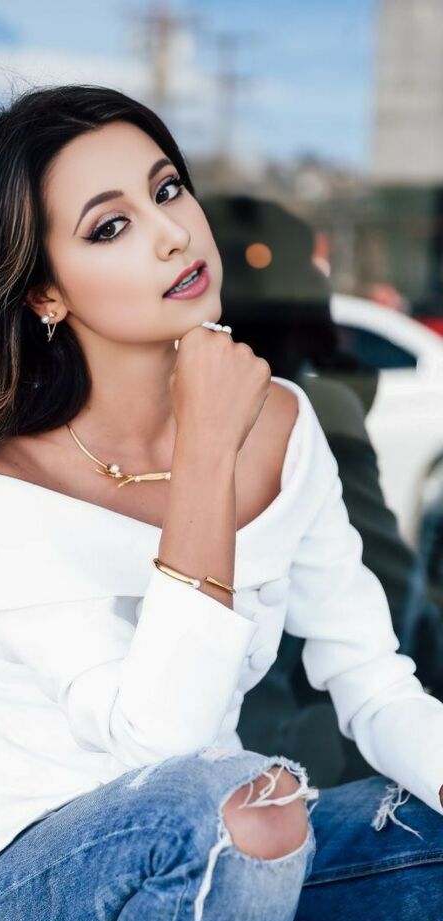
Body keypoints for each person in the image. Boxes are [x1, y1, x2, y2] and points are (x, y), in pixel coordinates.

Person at [0, 84, 443, 921]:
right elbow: (164, 741)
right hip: (5, 889)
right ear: (44, 293)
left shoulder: (285, 423)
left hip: (221, 859)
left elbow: (371, 679)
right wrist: (207, 451)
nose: (173, 234)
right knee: (245, 806)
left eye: (168, 190)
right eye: (111, 226)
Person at [199, 194, 443, 785]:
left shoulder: (304, 414)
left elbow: (371, 648)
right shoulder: (316, 411)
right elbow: (395, 599)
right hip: (297, 754)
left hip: (288, 751)